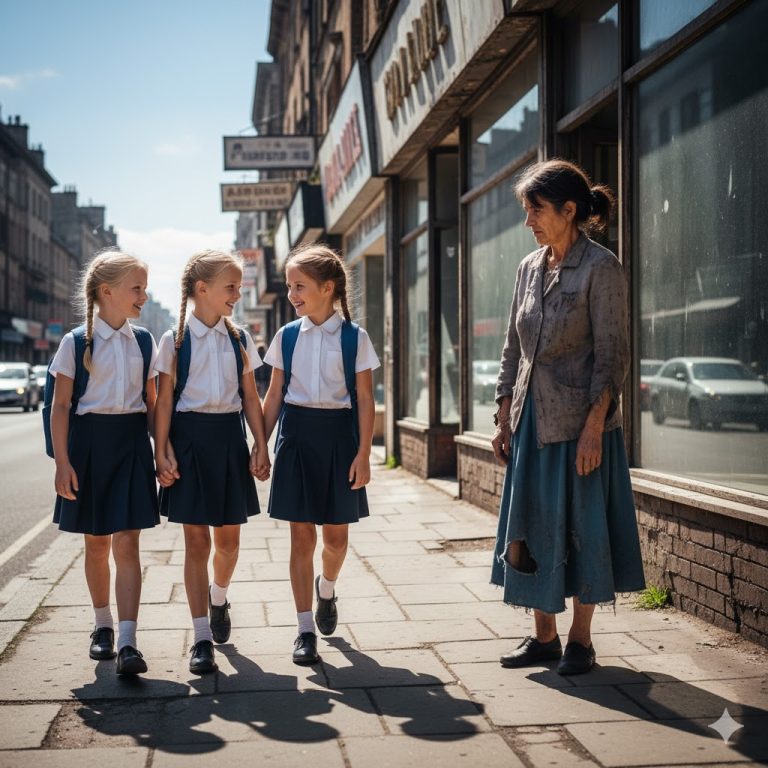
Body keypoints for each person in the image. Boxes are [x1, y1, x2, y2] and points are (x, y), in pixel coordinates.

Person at [490, 159, 645, 676]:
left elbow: (613, 356)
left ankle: (580, 640)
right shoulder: (528, 268)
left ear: (569, 210)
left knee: (582, 528)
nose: (528, 220)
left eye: (536, 210)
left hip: (580, 424)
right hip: (530, 420)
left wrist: (595, 428)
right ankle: (543, 638)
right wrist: (502, 415)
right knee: (531, 525)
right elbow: (513, 347)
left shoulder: (601, 267)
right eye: (527, 210)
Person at [153, 249, 271, 675]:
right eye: (231, 287)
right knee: (197, 544)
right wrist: (161, 450)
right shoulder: (173, 341)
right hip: (188, 442)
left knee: (229, 543)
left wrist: (261, 443)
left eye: (238, 286)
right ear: (202, 289)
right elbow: (164, 401)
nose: (237, 294)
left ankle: (218, 596)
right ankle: (201, 637)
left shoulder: (239, 339)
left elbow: (251, 398)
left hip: (228, 440)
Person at [262, 243, 379, 666]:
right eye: (289, 285)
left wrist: (363, 454)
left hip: (339, 439)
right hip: (296, 436)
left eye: (299, 286)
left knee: (336, 539)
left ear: (327, 288)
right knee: (300, 536)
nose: (291, 294)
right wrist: (260, 444)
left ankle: (326, 588)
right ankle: (304, 630)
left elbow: (365, 400)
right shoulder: (287, 335)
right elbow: (274, 393)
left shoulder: (355, 337)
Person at [49, 249, 159, 677]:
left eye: (145, 289)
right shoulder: (75, 342)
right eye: (137, 288)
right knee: (96, 542)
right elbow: (60, 406)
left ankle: (129, 641)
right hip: (88, 447)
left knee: (127, 541)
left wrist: (162, 450)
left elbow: (152, 404)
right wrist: (62, 462)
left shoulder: (144, 341)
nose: (143, 296)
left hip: (131, 444)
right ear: (107, 291)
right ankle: (103, 627)